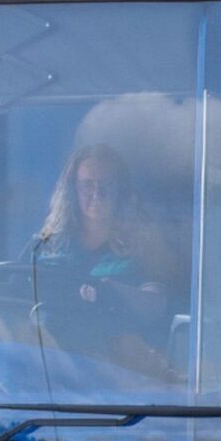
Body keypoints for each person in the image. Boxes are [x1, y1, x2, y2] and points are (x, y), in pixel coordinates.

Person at [34, 142, 177, 378]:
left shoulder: (144, 246)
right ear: (73, 191)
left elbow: (155, 307)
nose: (96, 194)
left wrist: (109, 291)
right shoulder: (48, 245)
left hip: (119, 374)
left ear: (121, 191)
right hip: (51, 370)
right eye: (87, 185)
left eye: (106, 186)